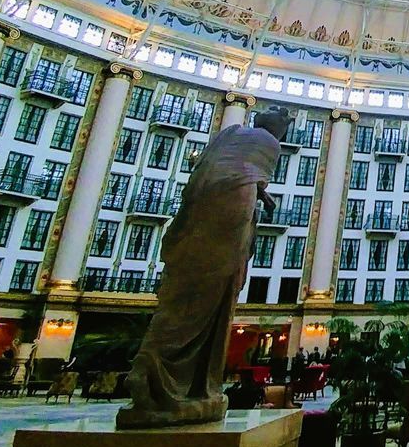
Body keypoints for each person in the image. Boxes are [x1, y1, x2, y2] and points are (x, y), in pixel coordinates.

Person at [117, 106, 288, 428]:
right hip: (229, 218)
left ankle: (151, 366)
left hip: (199, 210)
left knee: (188, 294)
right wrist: (255, 203)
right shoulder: (269, 142)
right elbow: (244, 179)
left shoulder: (230, 133)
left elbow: (216, 171)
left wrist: (261, 196)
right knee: (211, 291)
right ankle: (172, 380)